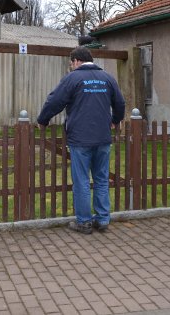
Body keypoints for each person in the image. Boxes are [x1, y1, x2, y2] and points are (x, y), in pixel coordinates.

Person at [37, 46, 125, 234]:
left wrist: (42, 120)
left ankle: (84, 222)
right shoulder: (107, 78)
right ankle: (102, 220)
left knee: (82, 180)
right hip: (103, 138)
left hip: (80, 139)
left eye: (71, 62)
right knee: (101, 179)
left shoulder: (73, 78)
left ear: (77, 60)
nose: (70, 66)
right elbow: (120, 103)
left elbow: (54, 101)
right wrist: (115, 120)